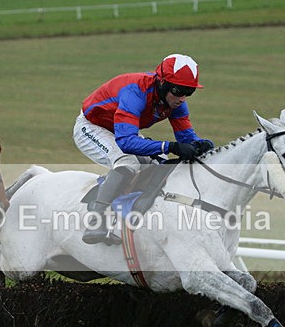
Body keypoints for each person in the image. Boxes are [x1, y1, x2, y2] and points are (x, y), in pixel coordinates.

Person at [74, 53, 214, 245]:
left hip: (121, 128)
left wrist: (201, 145)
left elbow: (186, 138)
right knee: (128, 162)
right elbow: (126, 143)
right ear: (162, 83)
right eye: (178, 90)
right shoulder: (135, 92)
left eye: (189, 92)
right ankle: (96, 220)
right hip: (92, 127)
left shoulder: (176, 103)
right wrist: (170, 146)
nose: (182, 98)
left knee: (160, 161)